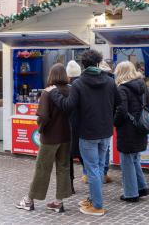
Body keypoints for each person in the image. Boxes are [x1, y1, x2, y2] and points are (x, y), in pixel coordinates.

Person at [47, 50, 120, 216]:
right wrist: (108, 118)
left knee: (93, 169)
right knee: (99, 168)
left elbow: (67, 106)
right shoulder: (109, 81)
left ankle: (97, 206)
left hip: (87, 133)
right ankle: (93, 199)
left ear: (83, 64)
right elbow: (119, 103)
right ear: (97, 63)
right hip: (105, 131)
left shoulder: (79, 83)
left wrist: (54, 93)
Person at [15, 63, 72, 213]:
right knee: (63, 168)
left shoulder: (47, 92)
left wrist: (40, 129)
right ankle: (59, 202)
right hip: (66, 135)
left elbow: (43, 117)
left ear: (51, 75)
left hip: (50, 137)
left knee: (42, 168)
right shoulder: (70, 90)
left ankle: (29, 200)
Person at [114, 61, 149, 202]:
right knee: (135, 159)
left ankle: (130, 194)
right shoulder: (143, 86)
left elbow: (121, 110)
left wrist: (114, 122)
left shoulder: (122, 89)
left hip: (128, 130)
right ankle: (142, 187)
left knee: (127, 161)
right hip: (141, 127)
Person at [65, 60, 83, 194]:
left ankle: (70, 185)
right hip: (83, 128)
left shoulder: (67, 89)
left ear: (68, 76)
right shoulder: (84, 86)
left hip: (69, 127)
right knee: (87, 159)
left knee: (69, 158)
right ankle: (96, 184)